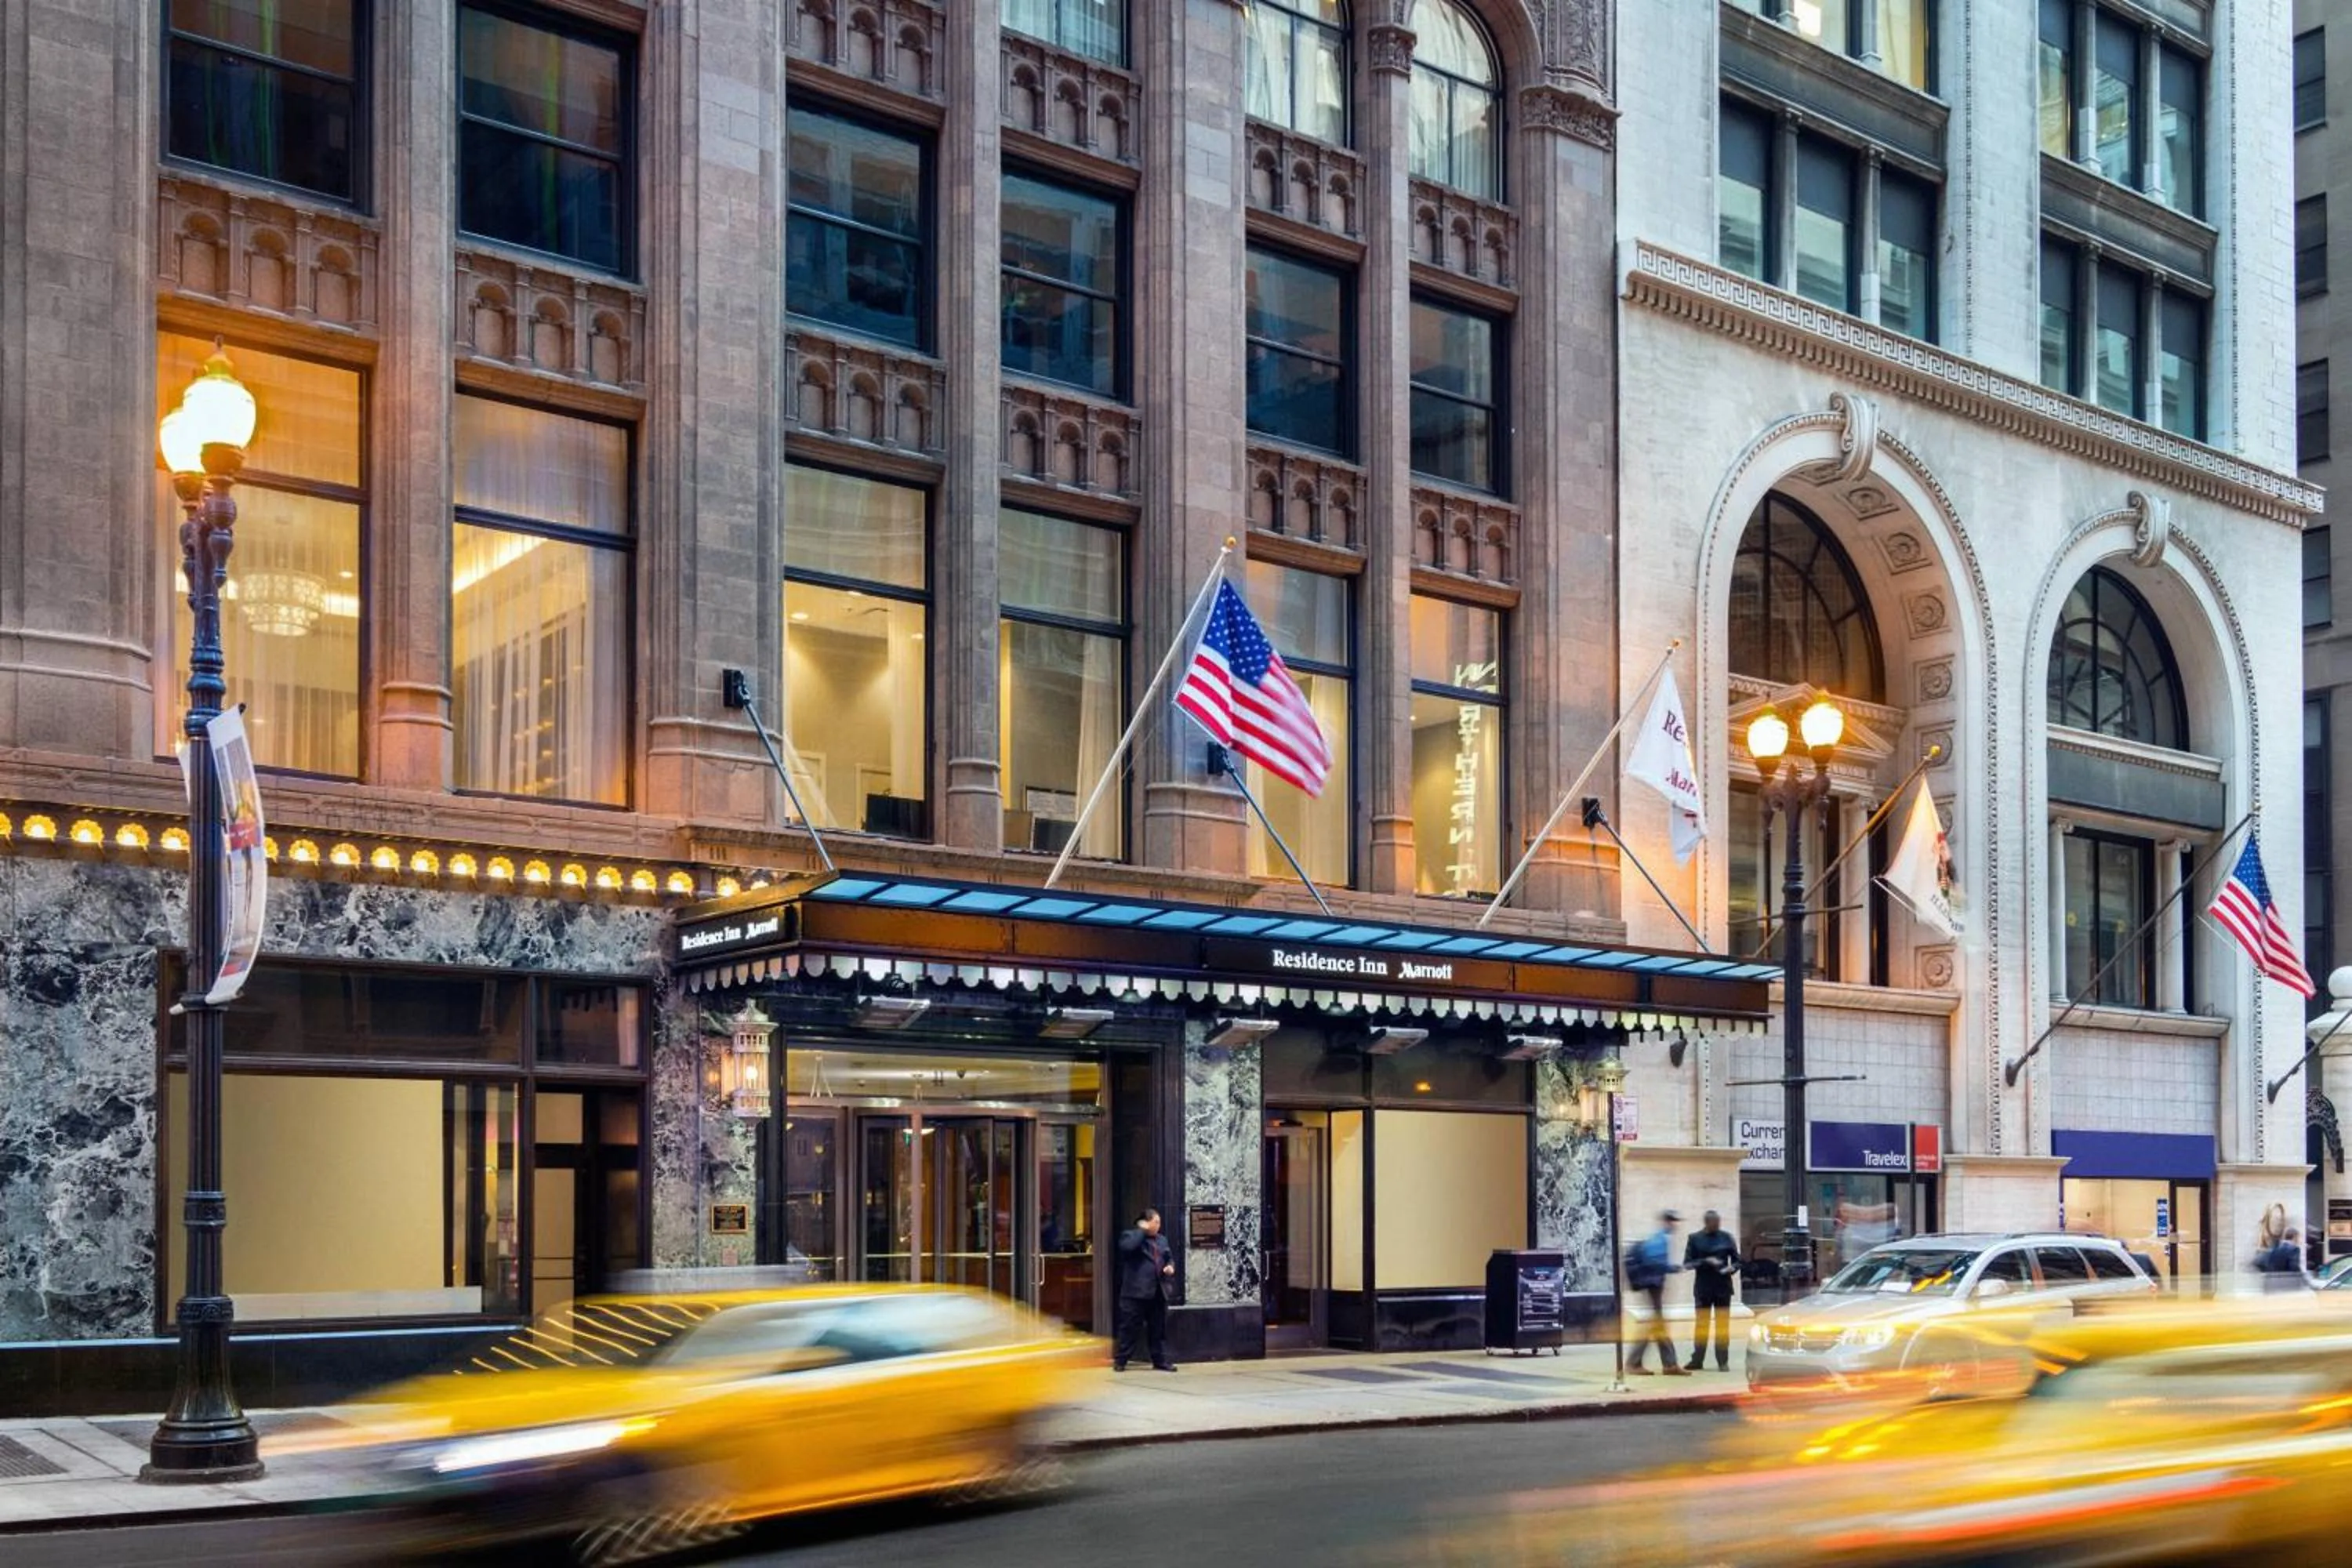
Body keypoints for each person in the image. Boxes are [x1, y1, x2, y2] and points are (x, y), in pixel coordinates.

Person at [1625, 1210, 1687, 1376]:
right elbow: (1654, 1263)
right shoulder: (1660, 1239)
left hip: (1653, 1284)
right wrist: (1672, 1268)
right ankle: (1635, 1363)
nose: (1675, 1224)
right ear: (1667, 1222)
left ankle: (1669, 1364)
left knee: (1658, 1324)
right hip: (1653, 1285)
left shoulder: (1660, 1238)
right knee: (1656, 1324)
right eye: (1673, 1221)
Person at [1115, 1207, 1178, 1371]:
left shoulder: (1162, 1240)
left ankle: (1160, 1360)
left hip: (1158, 1291)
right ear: (1146, 1222)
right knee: (1129, 1328)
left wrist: (1170, 1267)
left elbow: (1169, 1258)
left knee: (1158, 1329)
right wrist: (1142, 1230)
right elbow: (1128, 1248)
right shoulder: (1131, 1236)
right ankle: (1121, 1360)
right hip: (1136, 1293)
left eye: (1159, 1223)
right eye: (1155, 1222)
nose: (1158, 1226)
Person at [1683, 1210, 1740, 1371]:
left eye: (1718, 1223)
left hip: (1723, 1287)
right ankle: (1697, 1359)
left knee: (1723, 1325)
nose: (1717, 1226)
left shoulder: (1727, 1237)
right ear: (1707, 1223)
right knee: (1702, 1325)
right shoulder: (1695, 1238)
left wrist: (1732, 1268)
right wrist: (1706, 1261)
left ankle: (1723, 1361)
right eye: (1714, 1223)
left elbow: (1737, 1261)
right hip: (1703, 1287)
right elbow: (1688, 1263)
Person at [2259, 1225, 2308, 1294]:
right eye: (2298, 1237)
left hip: (2271, 1285)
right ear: (2295, 1237)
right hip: (2286, 1285)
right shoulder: (2294, 1249)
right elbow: (2294, 1267)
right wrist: (2304, 1279)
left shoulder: (2275, 1249)